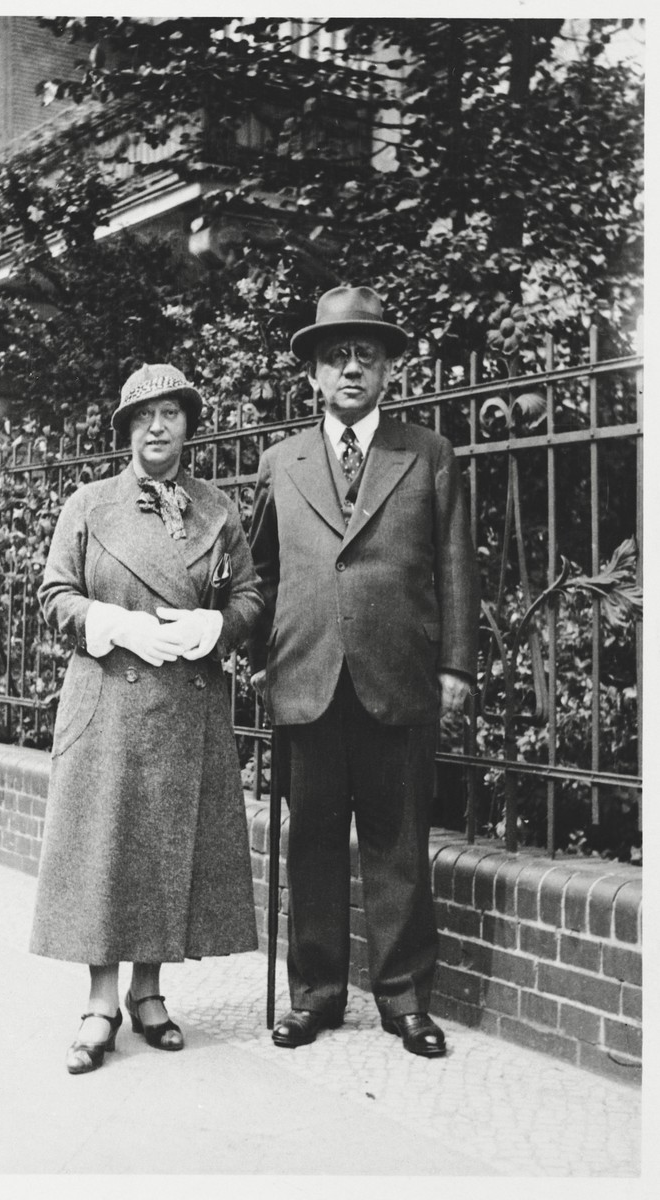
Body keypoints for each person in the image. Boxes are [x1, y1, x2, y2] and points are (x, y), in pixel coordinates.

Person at [249, 286, 479, 1057]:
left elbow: (454, 565)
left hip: (398, 674)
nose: (350, 368)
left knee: (399, 841)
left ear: (387, 372)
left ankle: (405, 999)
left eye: (365, 356)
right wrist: (257, 657)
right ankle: (313, 997)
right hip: (305, 675)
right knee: (310, 840)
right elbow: (263, 573)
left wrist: (454, 663)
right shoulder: (279, 461)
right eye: (335, 356)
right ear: (312, 375)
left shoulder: (427, 453)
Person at [31, 363, 261, 1074]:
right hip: (108, 696)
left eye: (170, 413)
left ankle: (150, 995)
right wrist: (113, 624)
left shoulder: (217, 508)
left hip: (184, 705)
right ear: (126, 430)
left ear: (189, 425)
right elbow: (53, 595)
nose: (156, 427)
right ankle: (99, 1004)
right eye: (142, 416)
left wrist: (213, 626)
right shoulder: (88, 504)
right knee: (107, 846)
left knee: (167, 843)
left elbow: (252, 597)